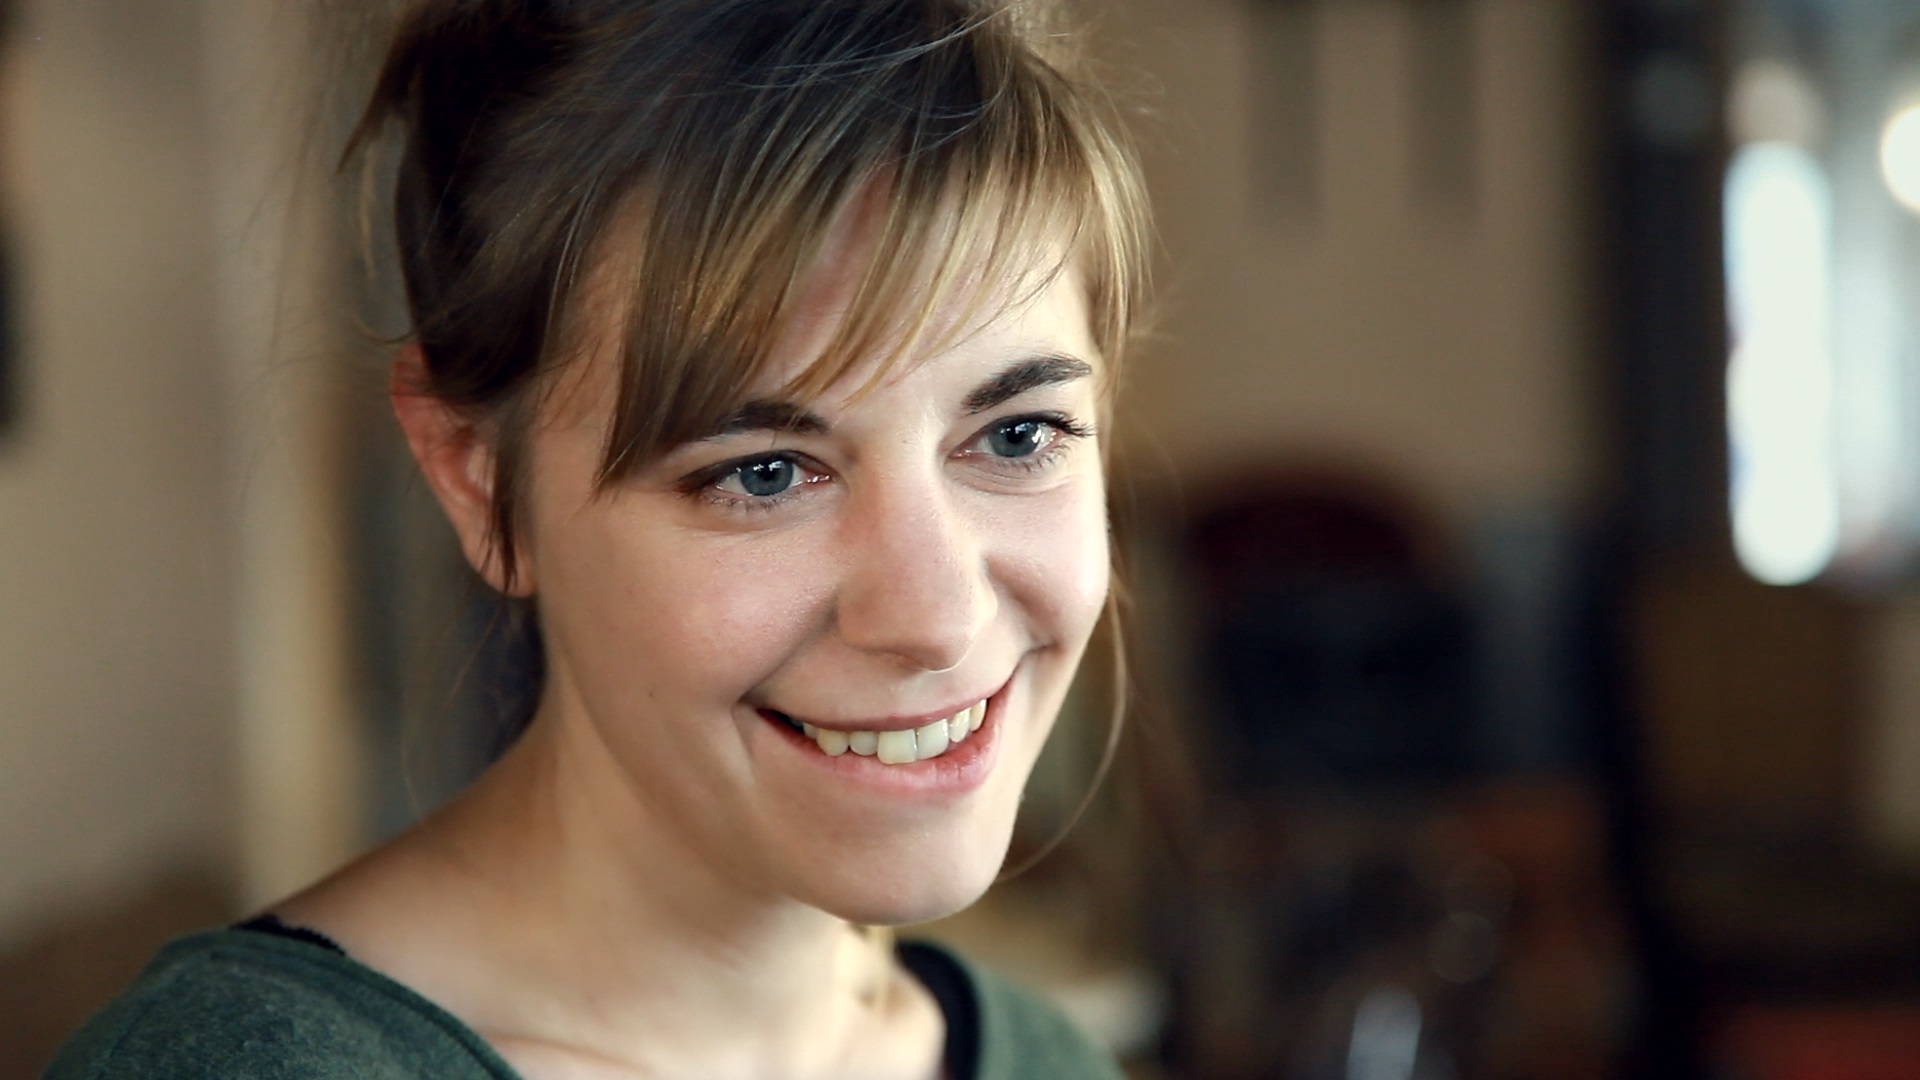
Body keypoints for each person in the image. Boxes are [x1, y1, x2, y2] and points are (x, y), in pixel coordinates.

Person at [46, 0, 1149, 1076]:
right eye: (763, 473)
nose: (937, 617)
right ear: (476, 476)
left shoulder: (1049, 1061)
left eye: (1018, 435)